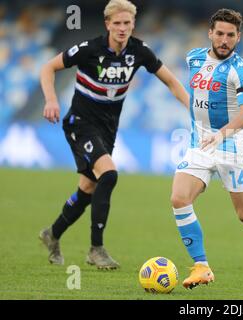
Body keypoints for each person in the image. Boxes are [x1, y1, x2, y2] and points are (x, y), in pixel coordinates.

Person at [39, 0, 189, 269]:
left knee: (88, 188)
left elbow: (170, 80)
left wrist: (193, 108)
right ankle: (96, 249)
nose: (122, 28)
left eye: (127, 23)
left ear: (133, 24)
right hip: (80, 123)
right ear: (108, 24)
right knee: (108, 174)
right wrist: (51, 100)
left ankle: (53, 233)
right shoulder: (89, 49)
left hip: (108, 128)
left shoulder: (139, 51)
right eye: (117, 23)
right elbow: (47, 67)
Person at [170, 8, 243, 289]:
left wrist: (220, 134)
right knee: (178, 198)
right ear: (210, 33)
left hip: (231, 148)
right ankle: (201, 267)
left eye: (231, 35)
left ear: (239, 37)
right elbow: (194, 96)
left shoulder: (241, 70)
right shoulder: (194, 58)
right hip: (199, 145)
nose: (224, 40)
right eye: (220, 33)